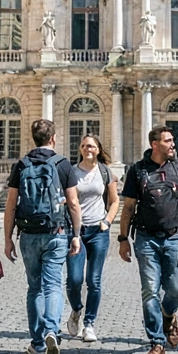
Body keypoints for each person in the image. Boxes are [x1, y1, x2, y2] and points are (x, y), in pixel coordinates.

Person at [118, 125, 178, 354]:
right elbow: (128, 208)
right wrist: (123, 239)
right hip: (145, 238)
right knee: (149, 291)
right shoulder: (138, 171)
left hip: (174, 236)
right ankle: (157, 342)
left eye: (173, 140)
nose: (173, 144)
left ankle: (168, 315)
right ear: (155, 145)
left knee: (175, 289)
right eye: (168, 141)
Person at [3, 119, 82, 354]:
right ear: (54, 138)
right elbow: (73, 203)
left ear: (33, 138)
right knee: (53, 286)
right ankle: (51, 330)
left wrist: (7, 238)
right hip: (56, 233)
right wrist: (76, 234)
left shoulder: (21, 164)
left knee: (34, 288)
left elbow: (10, 205)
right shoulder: (62, 164)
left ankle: (37, 344)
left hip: (28, 234)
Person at [65, 134, 119, 342]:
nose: (88, 149)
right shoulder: (71, 172)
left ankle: (89, 324)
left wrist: (107, 221)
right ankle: (77, 309)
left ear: (98, 149)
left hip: (98, 231)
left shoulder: (105, 172)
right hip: (76, 232)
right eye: (84, 146)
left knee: (94, 281)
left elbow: (114, 201)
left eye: (92, 146)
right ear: (80, 149)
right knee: (74, 280)